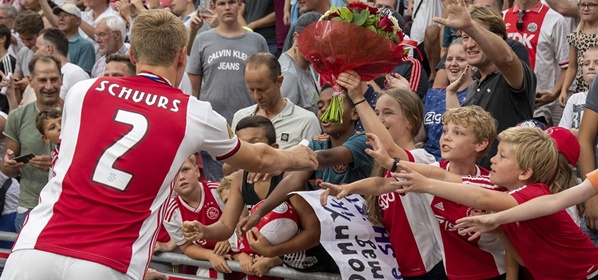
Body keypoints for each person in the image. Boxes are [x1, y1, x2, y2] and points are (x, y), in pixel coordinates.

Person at [0, 10, 317, 280]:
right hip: (109, 258)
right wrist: (299, 155)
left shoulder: (85, 90)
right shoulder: (192, 112)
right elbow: (261, 158)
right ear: (182, 56)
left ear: (134, 55)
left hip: (37, 246)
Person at [391, 126, 598, 279]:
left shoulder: (534, 191)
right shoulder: (503, 189)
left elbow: (482, 198)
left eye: (502, 156)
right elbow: (446, 177)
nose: (492, 160)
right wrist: (392, 163)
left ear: (526, 172)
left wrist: (425, 185)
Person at [321, 106, 503, 279]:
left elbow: (508, 231)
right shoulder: (432, 169)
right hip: (453, 272)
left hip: (492, 269)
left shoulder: (489, 183)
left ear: (480, 144)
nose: (446, 137)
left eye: (457, 133)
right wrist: (349, 188)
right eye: (445, 130)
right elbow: (384, 184)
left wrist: (496, 229)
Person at [186, 115, 339, 277]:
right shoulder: (239, 179)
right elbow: (225, 226)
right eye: (242, 144)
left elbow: (315, 233)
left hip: (323, 268)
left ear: (273, 147)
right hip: (287, 271)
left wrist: (273, 253)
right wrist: (205, 231)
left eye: (254, 143)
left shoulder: (289, 176)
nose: (248, 149)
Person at [436, 3, 536, 170]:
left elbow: (506, 60)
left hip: (506, 186)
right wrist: (451, 94)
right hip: (476, 184)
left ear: (497, 37)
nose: (469, 45)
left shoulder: (511, 75)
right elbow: (461, 131)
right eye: (466, 37)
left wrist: (470, 25)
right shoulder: (474, 83)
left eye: (475, 35)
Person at [1, 55, 60, 233]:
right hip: (30, 206)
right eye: (42, 80)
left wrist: (55, 163)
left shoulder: (78, 113)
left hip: (67, 206)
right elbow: (8, 168)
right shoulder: (17, 117)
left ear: (62, 79)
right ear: (31, 82)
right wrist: (10, 164)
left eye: (54, 79)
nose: (49, 86)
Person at [163, 155, 234, 279]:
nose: (181, 177)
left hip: (240, 251)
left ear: (196, 171)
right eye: (174, 175)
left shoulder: (218, 191)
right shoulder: (170, 213)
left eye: (185, 170)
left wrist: (228, 238)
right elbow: (186, 247)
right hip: (209, 262)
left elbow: (241, 219)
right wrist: (210, 255)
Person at [231, 52, 321, 150]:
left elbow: (315, 162)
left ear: (279, 81)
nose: (256, 97)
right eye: (251, 90)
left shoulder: (307, 122)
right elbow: (228, 164)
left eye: (262, 90)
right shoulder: (240, 117)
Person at [503, 0, 569, 127]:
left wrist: (553, 94)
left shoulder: (555, 20)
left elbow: (567, 65)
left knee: (531, 146)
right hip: (505, 101)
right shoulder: (503, 16)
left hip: (538, 107)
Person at [422, 39, 472, 160]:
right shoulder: (433, 94)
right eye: (449, 59)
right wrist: (406, 98)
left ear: (473, 65)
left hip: (453, 162)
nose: (453, 64)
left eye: (460, 59)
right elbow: (418, 136)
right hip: (426, 157)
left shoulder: (475, 95)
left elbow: (459, 135)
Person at [278, 11, 321, 113]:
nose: (316, 48)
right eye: (311, 41)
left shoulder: (308, 63)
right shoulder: (288, 75)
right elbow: (282, 119)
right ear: (296, 36)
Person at [559, 0, 598, 107]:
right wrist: (564, 90)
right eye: (582, 5)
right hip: (581, 90)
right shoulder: (576, 36)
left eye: (591, 5)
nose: (586, 8)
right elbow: (572, 67)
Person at [34, 28, 90, 101]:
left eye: (37, 48)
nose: (35, 53)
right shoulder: (36, 74)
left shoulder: (75, 73)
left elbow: (83, 104)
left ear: (48, 49)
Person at [559, 46, 598, 135]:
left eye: (597, 63)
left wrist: (577, 133)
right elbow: (562, 133)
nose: (591, 67)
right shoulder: (575, 99)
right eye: (586, 64)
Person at [52, 3, 96, 75]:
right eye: (59, 16)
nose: (61, 19)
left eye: (66, 16)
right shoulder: (53, 43)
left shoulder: (85, 45)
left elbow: (83, 75)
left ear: (78, 21)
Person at [34, 106, 61, 179]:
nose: (59, 128)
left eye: (61, 122)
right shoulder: (55, 162)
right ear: (46, 138)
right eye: (52, 127)